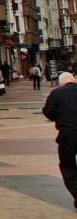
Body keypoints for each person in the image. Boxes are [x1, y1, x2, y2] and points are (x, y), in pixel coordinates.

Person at [42, 71, 77, 210]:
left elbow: (48, 112)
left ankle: (76, 191)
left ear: (62, 82)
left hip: (67, 133)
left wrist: (60, 117)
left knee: (67, 164)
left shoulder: (57, 93)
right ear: (74, 80)